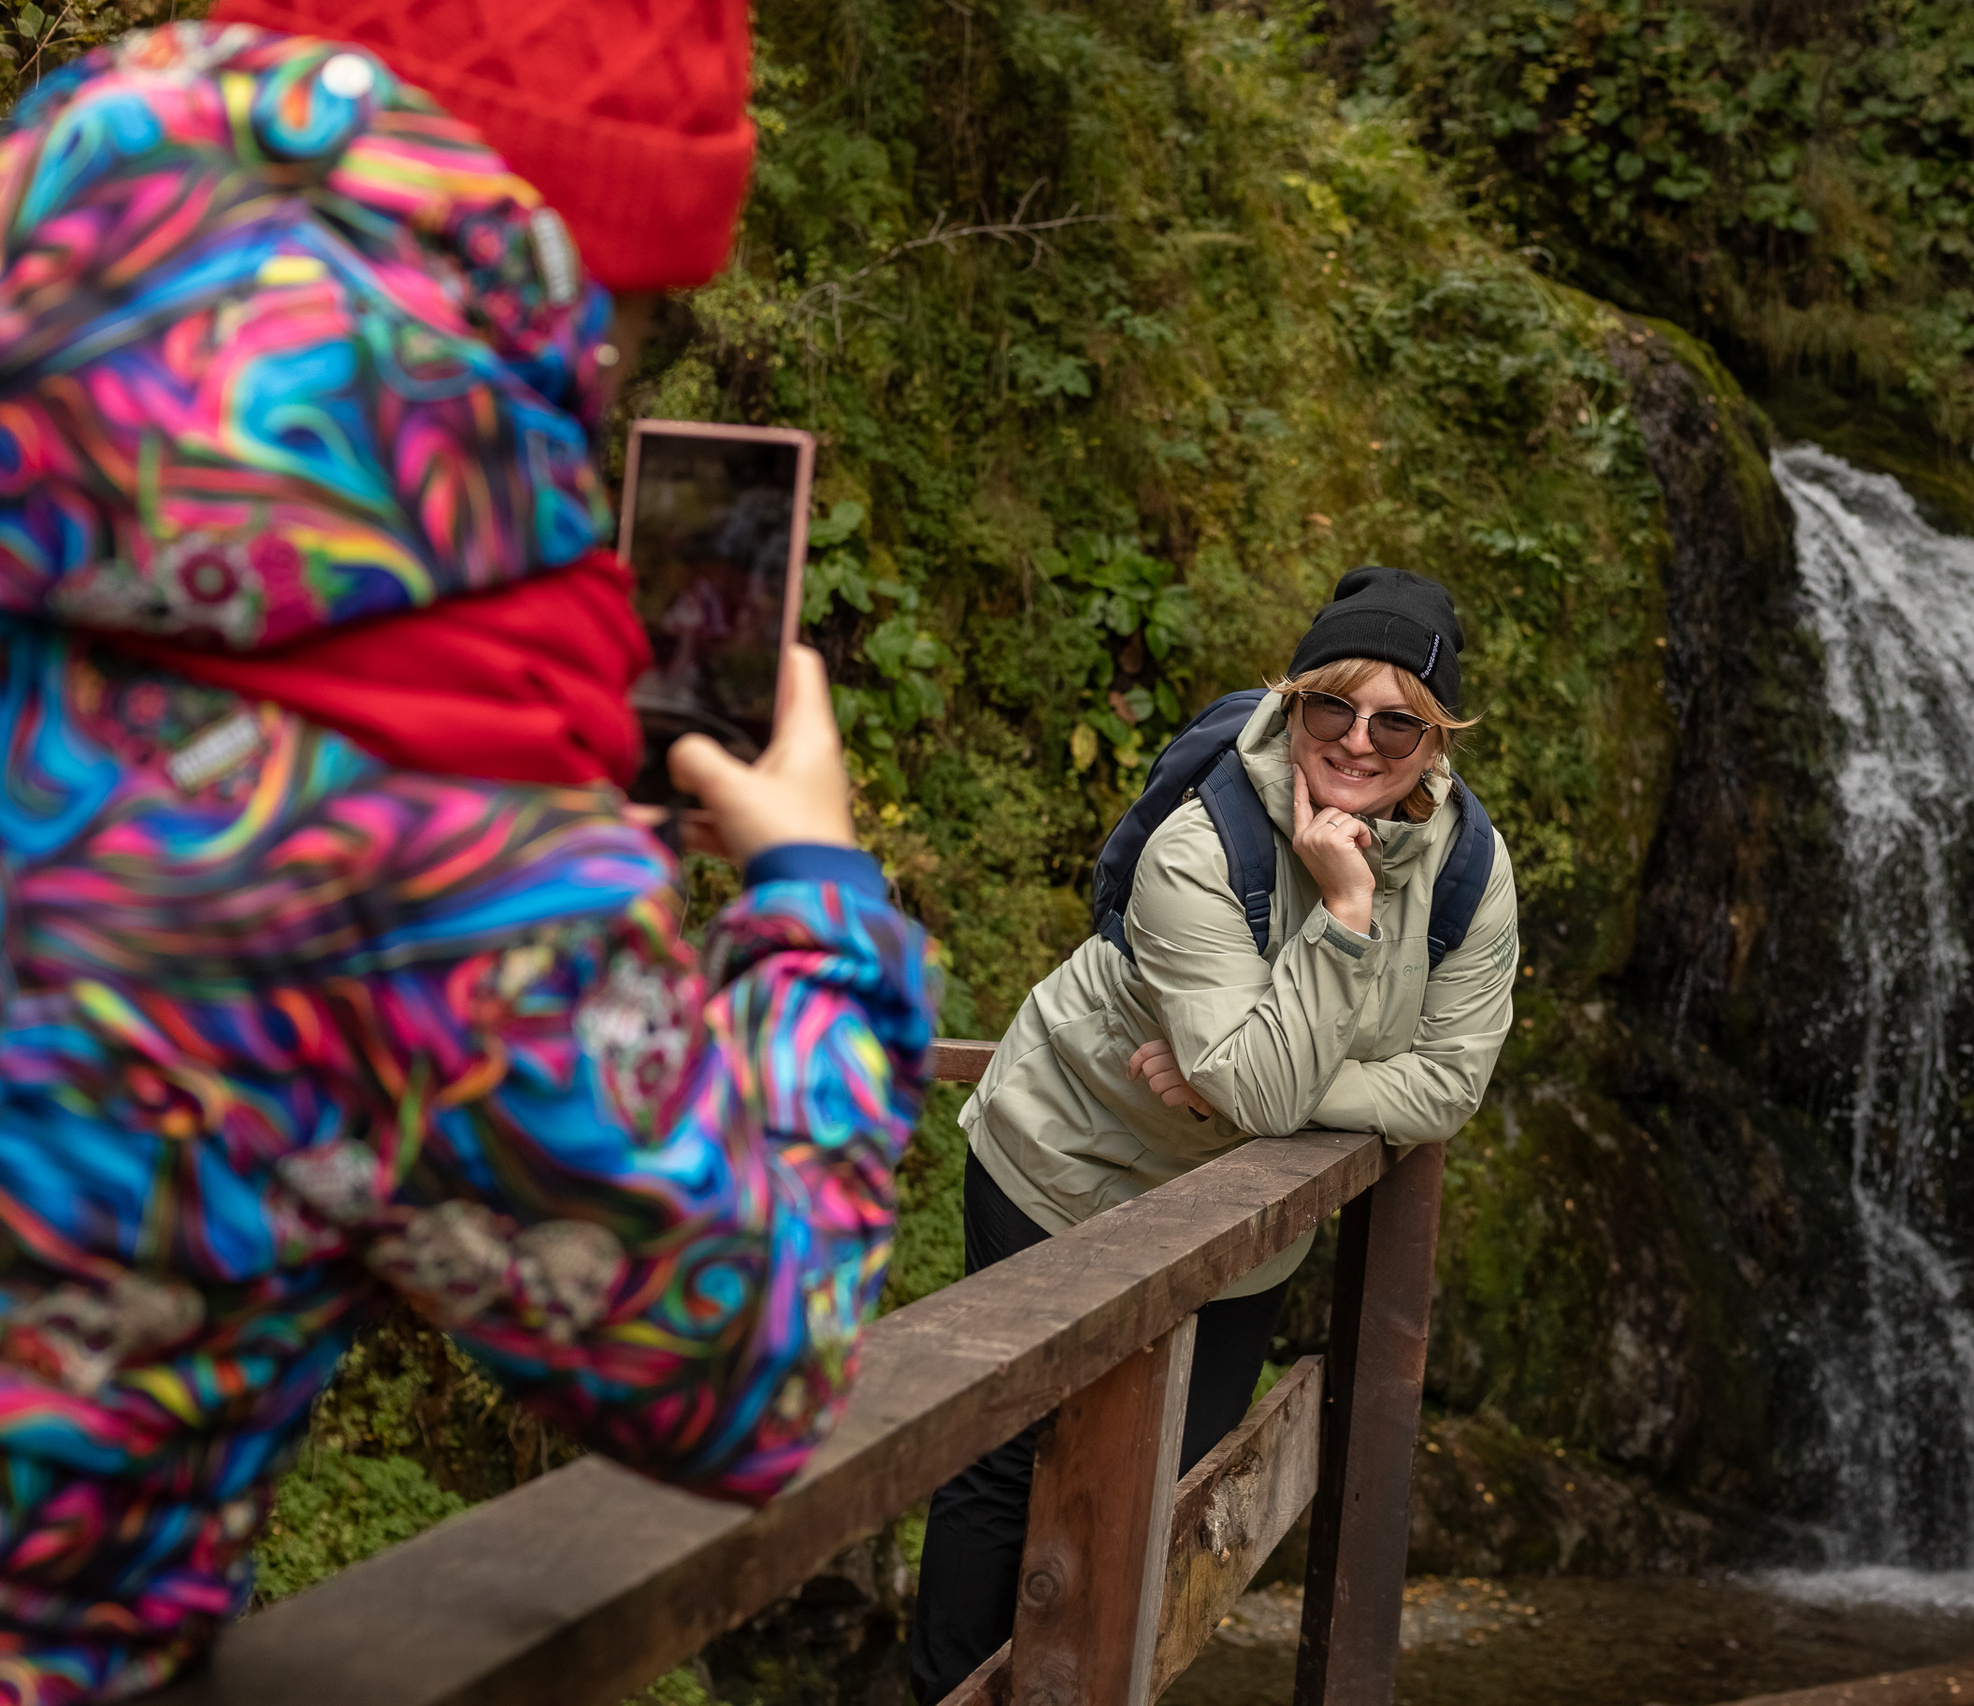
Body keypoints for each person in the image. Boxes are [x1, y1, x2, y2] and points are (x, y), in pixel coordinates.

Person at [0, 7, 936, 1701]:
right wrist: (815, 901)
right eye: (629, 325)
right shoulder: (423, 806)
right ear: (547, 295)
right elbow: (741, 1355)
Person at [909, 567, 1520, 1703]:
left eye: (1398, 718)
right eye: (1332, 704)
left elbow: (1442, 1086)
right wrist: (1341, 913)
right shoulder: (1201, 843)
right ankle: (950, 1689)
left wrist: (1247, 1079)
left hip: (1235, 1218)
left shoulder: (1467, 868)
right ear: (1294, 702)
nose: (1357, 738)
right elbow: (1258, 1081)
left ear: (1437, 743)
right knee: (1006, 1466)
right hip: (1064, 1157)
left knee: (1173, 1483)